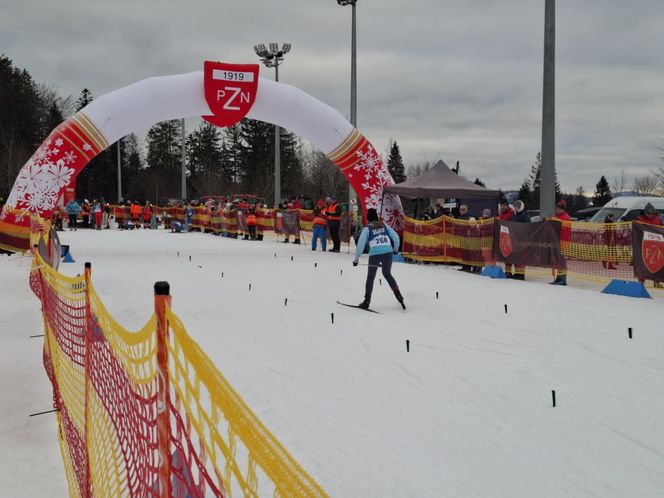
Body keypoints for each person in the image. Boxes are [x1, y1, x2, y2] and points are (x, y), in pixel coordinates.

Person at [352, 208, 404, 309]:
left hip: (375, 253)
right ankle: (399, 296)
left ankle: (366, 301)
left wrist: (356, 259)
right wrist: (396, 249)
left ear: (368, 218)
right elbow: (396, 237)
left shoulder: (367, 228)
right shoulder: (384, 225)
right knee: (387, 274)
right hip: (388, 252)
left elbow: (360, 244)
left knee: (371, 277)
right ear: (376, 217)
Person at [636, 203, 663, 288]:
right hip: (643, 244)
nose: (650, 216)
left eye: (652, 214)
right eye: (648, 214)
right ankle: (641, 282)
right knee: (642, 263)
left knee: (657, 263)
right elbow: (636, 231)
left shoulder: (659, 219)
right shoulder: (639, 219)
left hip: (656, 245)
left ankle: (656, 281)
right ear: (645, 212)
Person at [551, 199, 571, 285]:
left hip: (562, 242)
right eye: (556, 208)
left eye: (557, 208)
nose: (556, 210)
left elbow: (563, 230)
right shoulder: (558, 217)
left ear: (562, 209)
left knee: (561, 261)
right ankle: (559, 278)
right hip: (557, 241)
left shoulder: (565, 217)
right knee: (558, 261)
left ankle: (562, 279)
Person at [510, 200, 530, 280]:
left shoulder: (524, 215)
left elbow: (528, 226)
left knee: (521, 257)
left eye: (517, 207)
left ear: (521, 207)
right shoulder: (514, 215)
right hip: (515, 238)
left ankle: (521, 274)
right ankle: (517, 272)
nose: (515, 208)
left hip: (522, 238)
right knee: (516, 256)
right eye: (515, 207)